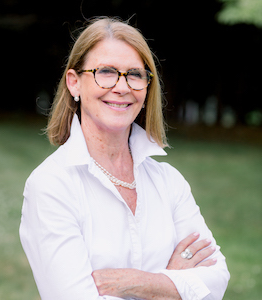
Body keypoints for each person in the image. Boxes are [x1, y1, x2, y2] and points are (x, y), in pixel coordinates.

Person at [19, 17, 230, 299]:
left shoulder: (168, 182)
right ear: (74, 83)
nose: (122, 87)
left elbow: (217, 279)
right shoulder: (51, 186)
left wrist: (138, 283)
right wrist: (175, 282)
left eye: (135, 74)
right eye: (105, 71)